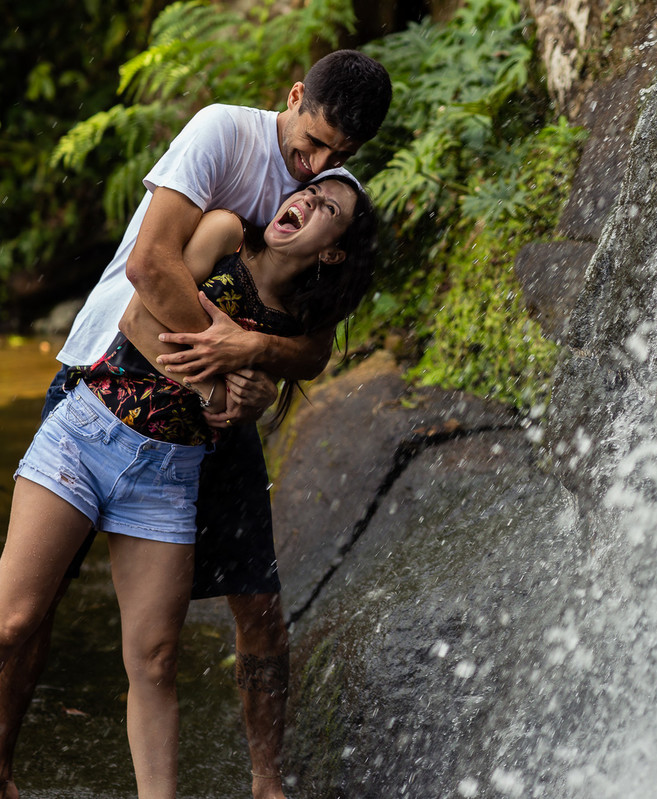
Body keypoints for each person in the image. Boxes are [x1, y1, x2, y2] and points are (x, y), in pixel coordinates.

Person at [0, 50, 391, 799]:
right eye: (310, 145)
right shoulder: (225, 138)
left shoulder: (335, 197)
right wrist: (222, 369)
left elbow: (313, 344)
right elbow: (151, 267)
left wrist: (252, 354)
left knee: (210, 628)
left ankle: (266, 783)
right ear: (294, 95)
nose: (314, 169)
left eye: (339, 158)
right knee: (24, 613)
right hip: (105, 378)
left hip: (191, 442)